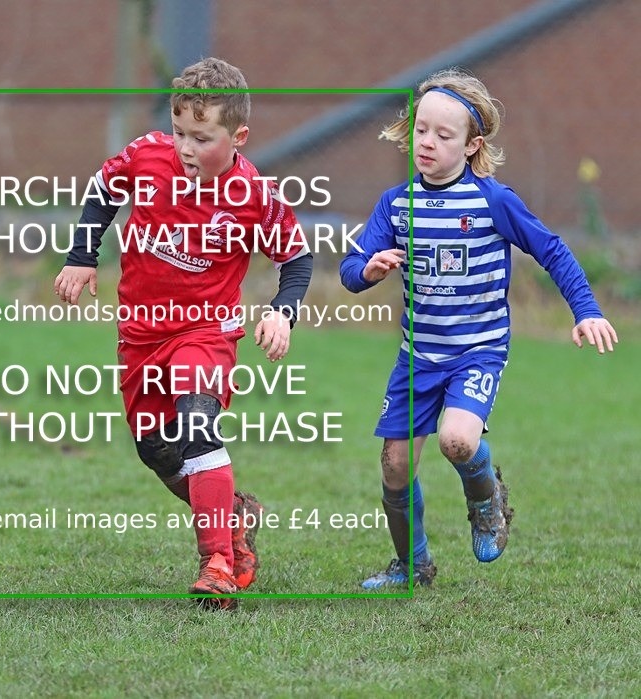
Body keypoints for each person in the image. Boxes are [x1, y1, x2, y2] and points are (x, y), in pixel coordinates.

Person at [340, 69, 618, 588]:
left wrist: (587, 310)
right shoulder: (395, 203)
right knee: (395, 468)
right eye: (421, 129)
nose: (427, 142)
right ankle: (412, 566)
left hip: (477, 352)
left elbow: (551, 249)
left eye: (444, 136)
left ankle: (486, 499)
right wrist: (368, 270)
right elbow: (350, 269)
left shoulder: (493, 200)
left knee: (458, 441)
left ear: (472, 145)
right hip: (417, 357)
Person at [54, 57, 312, 609]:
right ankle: (234, 514)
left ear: (238, 137)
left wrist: (280, 312)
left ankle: (217, 561)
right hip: (140, 336)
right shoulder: (149, 157)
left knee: (197, 424)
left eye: (202, 137)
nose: (185, 147)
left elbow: (298, 258)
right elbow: (103, 189)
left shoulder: (254, 196)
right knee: (158, 451)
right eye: (179, 132)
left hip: (206, 332)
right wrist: (82, 256)